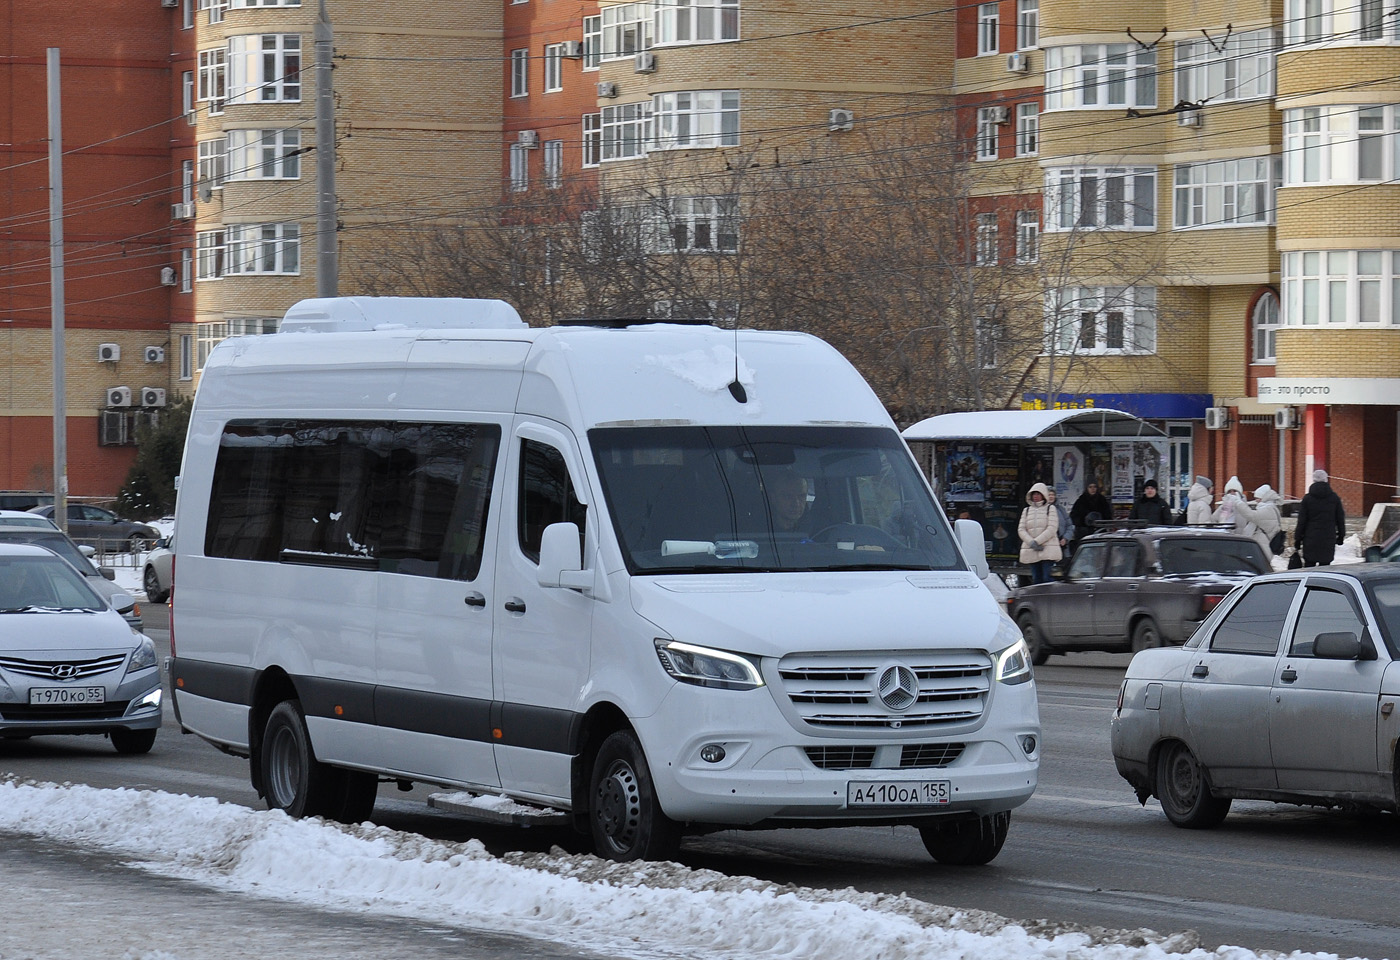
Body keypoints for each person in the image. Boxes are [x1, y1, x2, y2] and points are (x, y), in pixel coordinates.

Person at [1294, 469, 1346, 567]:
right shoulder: (1334, 498)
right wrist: (1341, 535)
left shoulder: (1307, 499)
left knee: (1309, 566)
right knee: (1325, 567)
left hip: (1310, 537)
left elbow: (1302, 521)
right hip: (1328, 537)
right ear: (1326, 480)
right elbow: (1340, 518)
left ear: (1313, 480)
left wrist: (1297, 539)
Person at [1017, 482, 1062, 584]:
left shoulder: (1050, 508)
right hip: (1032, 549)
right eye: (1034, 494)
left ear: (1043, 495)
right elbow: (1021, 529)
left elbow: (1052, 528)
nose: (1036, 496)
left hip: (1047, 549)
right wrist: (1031, 542)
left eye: (1038, 494)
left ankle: (1052, 597)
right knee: (1036, 579)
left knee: (1046, 577)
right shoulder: (1026, 510)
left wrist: (1037, 541)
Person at [1233, 484, 1284, 561]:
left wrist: (1238, 502)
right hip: (1263, 544)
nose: (1256, 501)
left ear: (1264, 497)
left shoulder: (1268, 509)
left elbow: (1250, 515)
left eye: (1258, 498)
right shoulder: (1271, 507)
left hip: (1263, 546)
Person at [768, 470, 810, 534]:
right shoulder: (756, 531)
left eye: (801, 496)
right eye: (788, 497)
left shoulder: (818, 532)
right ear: (773, 498)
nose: (796, 504)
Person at [1046, 488, 1072, 563]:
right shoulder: (1042, 510)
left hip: (1062, 547)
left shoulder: (1061, 510)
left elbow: (1070, 526)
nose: (1051, 497)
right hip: (1047, 548)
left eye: (1053, 495)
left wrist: (1065, 538)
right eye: (1049, 495)